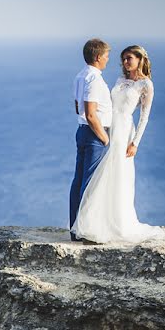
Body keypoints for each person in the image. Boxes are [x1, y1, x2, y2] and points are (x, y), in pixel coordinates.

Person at [71, 45, 165, 244]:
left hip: (123, 131)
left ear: (140, 59)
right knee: (102, 176)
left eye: (129, 58)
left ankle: (116, 223)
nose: (125, 62)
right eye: (123, 59)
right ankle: (96, 223)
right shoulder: (120, 80)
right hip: (108, 129)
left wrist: (135, 143)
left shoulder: (146, 85)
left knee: (119, 177)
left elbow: (144, 117)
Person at [69, 39, 112, 241]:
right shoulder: (94, 78)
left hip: (82, 131)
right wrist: (104, 138)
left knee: (79, 181)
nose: (107, 59)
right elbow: (90, 113)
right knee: (91, 183)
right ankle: (86, 231)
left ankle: (75, 229)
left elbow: (77, 107)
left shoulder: (80, 76)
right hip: (95, 133)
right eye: (106, 56)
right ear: (97, 57)